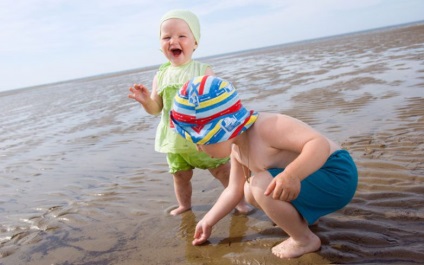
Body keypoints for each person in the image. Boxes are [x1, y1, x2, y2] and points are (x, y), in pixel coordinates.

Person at [170, 75, 358, 258]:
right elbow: (233, 191)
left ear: (221, 130)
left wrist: (293, 174)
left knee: (260, 185)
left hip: (337, 175)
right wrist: (208, 220)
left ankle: (304, 240)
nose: (197, 147)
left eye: (200, 140)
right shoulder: (237, 150)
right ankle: (304, 219)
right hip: (314, 181)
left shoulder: (267, 127)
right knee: (249, 189)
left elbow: (318, 144)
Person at [128, 10, 251, 215]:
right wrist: (145, 101)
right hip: (175, 141)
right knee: (180, 175)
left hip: (203, 138)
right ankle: (184, 205)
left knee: (223, 171)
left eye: (181, 36)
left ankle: (240, 203)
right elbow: (156, 108)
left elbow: (218, 104)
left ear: (195, 43)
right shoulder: (162, 74)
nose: (173, 40)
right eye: (166, 37)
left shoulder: (203, 71)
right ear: (160, 44)